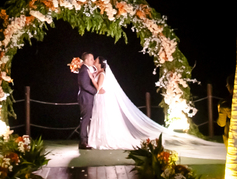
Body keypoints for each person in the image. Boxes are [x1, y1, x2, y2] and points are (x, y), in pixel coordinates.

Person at [86, 57, 226, 158]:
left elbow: (98, 88)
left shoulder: (102, 74)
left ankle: (102, 139)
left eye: (96, 61)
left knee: (103, 118)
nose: (94, 62)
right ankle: (98, 138)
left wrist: (91, 78)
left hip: (102, 99)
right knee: (101, 118)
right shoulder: (100, 73)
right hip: (101, 100)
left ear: (101, 64)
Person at [77, 51, 98, 149]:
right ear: (86, 60)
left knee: (86, 118)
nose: (93, 61)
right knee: (85, 119)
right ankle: (83, 142)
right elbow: (85, 85)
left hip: (87, 97)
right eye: (91, 59)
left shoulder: (86, 69)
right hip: (85, 97)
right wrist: (96, 91)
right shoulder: (84, 70)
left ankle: (85, 140)